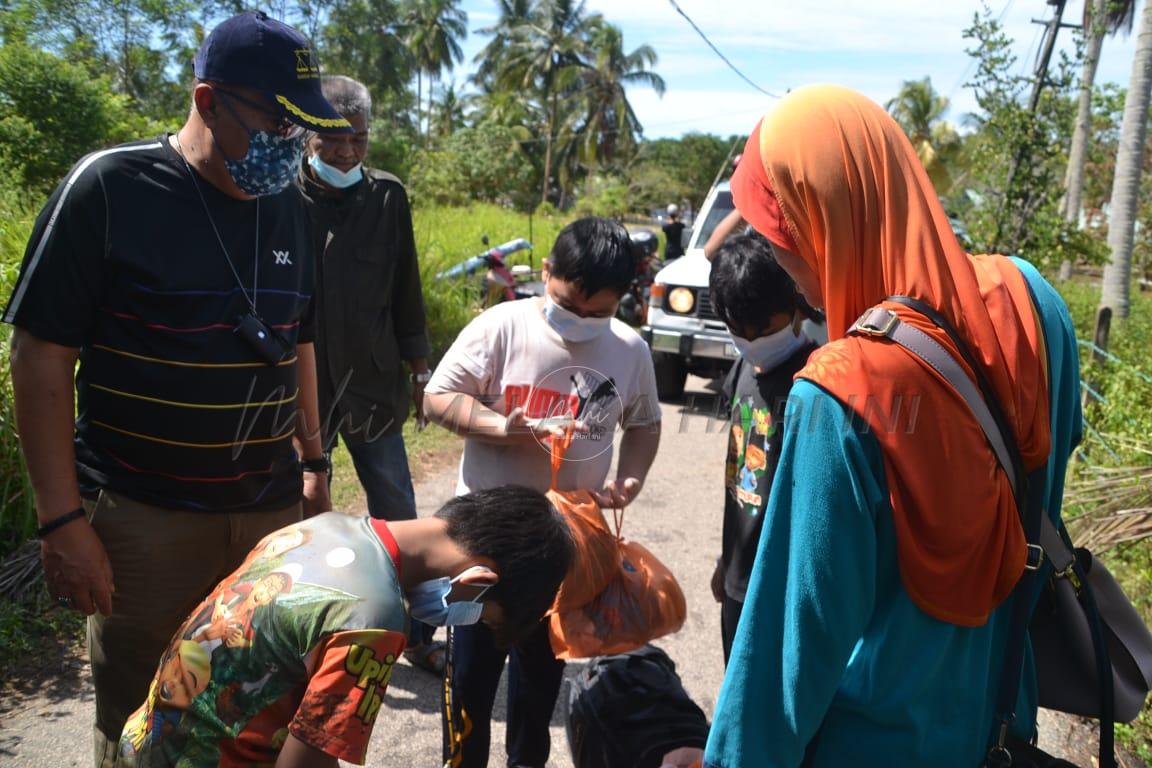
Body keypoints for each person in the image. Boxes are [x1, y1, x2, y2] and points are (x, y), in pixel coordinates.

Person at [2, 11, 348, 764]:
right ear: (207, 100)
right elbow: (38, 354)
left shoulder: (289, 205)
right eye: (276, 122)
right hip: (143, 522)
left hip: (266, 515)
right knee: (141, 718)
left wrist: (314, 463)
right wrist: (61, 520)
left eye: (304, 128)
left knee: (254, 704)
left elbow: (302, 339)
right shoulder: (110, 189)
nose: (293, 143)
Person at [704, 85, 1082, 767]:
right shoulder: (1034, 303)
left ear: (822, 219)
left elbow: (788, 653)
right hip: (998, 730)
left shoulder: (842, 388)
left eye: (781, 233)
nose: (783, 263)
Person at [424, 216, 662, 768]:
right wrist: (500, 427)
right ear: (547, 272)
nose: (579, 322)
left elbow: (645, 423)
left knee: (539, 684)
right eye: (568, 304)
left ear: (621, 300)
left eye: (597, 312)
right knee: (469, 684)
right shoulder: (501, 326)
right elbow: (437, 398)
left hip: (566, 546)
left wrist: (631, 476)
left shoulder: (629, 350)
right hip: (480, 543)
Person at [117, 485, 575, 767]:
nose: (465, 620)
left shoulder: (323, 526)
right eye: (481, 614)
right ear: (478, 580)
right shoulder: (375, 622)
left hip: (147, 740)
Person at [296, 74, 443, 675]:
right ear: (309, 136)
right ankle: (306, 635)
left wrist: (418, 370)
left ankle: (420, 633)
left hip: (375, 383)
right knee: (304, 511)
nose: (349, 154)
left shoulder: (388, 197)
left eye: (359, 140)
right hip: (302, 390)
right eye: (335, 141)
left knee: (397, 506)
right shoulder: (280, 196)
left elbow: (406, 289)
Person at [706, 231, 818, 664]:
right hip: (739, 577)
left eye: (764, 329)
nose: (752, 340)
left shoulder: (817, 381)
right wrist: (726, 560)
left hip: (783, 589)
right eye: (740, 331)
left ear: (796, 303)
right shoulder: (743, 371)